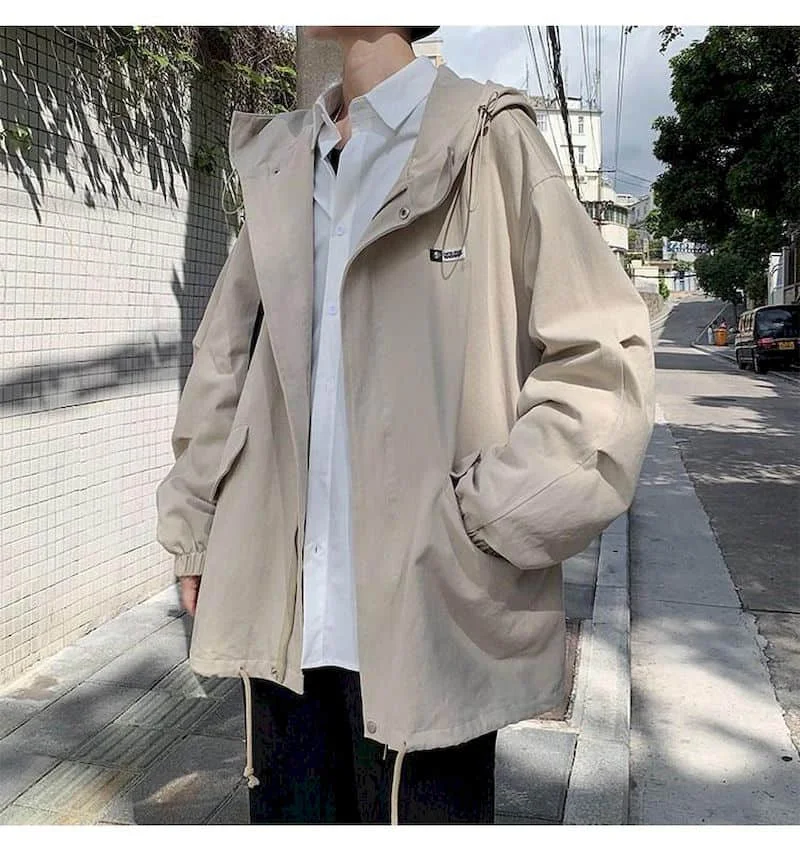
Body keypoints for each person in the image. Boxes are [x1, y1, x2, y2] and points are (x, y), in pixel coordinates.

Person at [156, 25, 655, 825]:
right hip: (284, 633)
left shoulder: (488, 140)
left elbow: (607, 368)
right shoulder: (286, 159)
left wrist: (479, 520)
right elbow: (225, 360)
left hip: (430, 629)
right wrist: (196, 525)